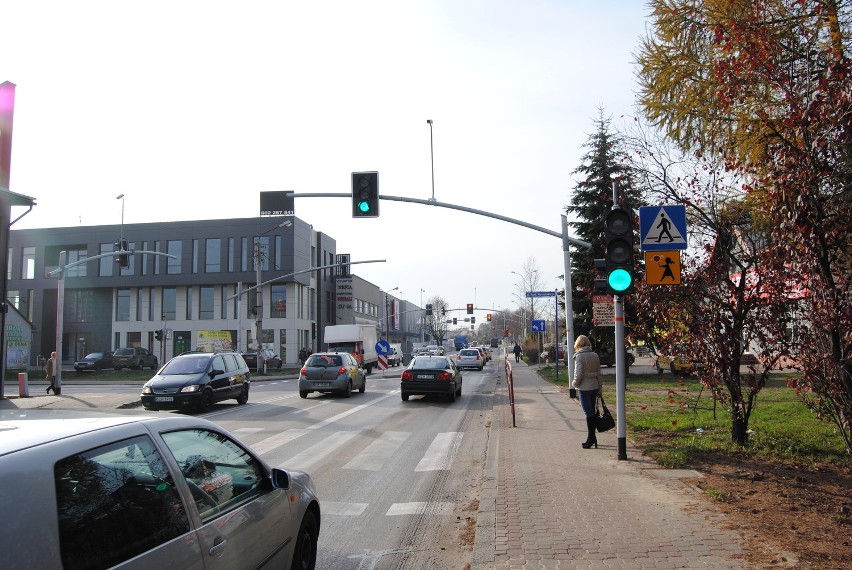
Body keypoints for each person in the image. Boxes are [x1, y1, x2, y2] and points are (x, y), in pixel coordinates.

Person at [571, 335, 601, 449]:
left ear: (578, 344)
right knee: (592, 412)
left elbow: (578, 374)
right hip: (594, 386)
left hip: (584, 388)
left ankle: (591, 438)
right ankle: (592, 438)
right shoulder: (595, 355)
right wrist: (599, 389)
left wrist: (574, 384)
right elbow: (599, 374)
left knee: (588, 414)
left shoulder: (579, 356)